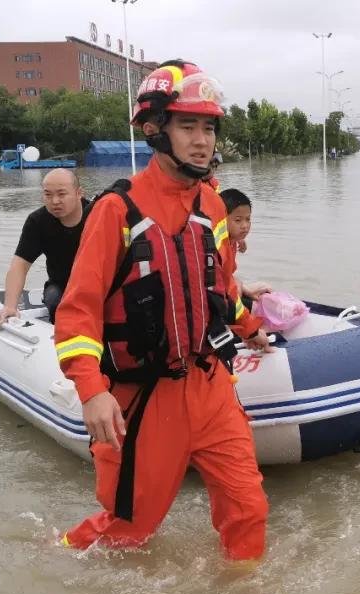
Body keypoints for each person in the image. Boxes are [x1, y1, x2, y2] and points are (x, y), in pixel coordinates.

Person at [53, 60, 271, 558]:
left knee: (249, 509)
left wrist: (251, 325)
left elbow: (219, 285)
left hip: (212, 385)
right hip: (147, 396)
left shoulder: (213, 207)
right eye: (188, 126)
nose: (202, 141)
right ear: (154, 130)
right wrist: (91, 392)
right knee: (129, 530)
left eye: (209, 127)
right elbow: (77, 312)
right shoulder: (117, 211)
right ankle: (57, 557)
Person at [0, 168, 89, 328]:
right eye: (48, 194)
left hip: (95, 284)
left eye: (62, 194)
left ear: (79, 193)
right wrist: (10, 306)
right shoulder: (37, 222)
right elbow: (20, 265)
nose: (55, 201)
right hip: (61, 285)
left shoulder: (98, 215)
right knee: (54, 299)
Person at [219, 188, 271, 301]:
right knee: (238, 286)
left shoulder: (232, 239)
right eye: (238, 220)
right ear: (221, 219)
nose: (245, 226)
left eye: (248, 219)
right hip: (220, 295)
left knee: (264, 287)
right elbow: (221, 280)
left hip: (227, 285)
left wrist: (238, 239)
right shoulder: (219, 247)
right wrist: (242, 287)